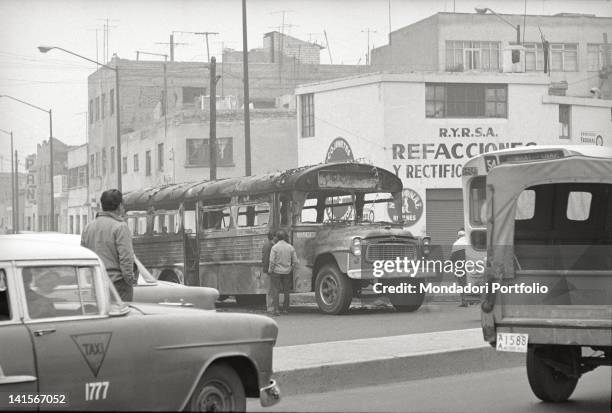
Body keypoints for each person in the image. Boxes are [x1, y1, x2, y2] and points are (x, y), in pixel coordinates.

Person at [81, 189, 136, 301]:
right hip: (118, 285)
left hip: (96, 284)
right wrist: (130, 280)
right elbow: (126, 258)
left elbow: (84, 257)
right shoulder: (120, 227)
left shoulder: (88, 227)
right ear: (120, 206)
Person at [268, 229, 298, 316]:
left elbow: (272, 261)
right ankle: (285, 309)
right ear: (284, 237)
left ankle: (276, 310)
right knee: (286, 291)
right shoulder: (290, 247)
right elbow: (295, 261)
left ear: (277, 237)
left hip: (276, 272)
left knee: (276, 290)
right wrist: (290, 268)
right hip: (287, 272)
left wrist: (270, 270)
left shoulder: (275, 248)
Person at [450, 227, 468, 307]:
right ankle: (472, 300)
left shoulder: (456, 244)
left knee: (462, 285)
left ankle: (464, 302)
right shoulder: (470, 243)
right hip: (471, 267)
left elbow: (453, 258)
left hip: (460, 268)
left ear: (458, 236)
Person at [261, 230, 277, 314]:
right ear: (273, 237)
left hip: (266, 270)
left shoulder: (266, 245)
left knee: (270, 289)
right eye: (276, 236)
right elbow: (268, 259)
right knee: (270, 290)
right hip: (269, 271)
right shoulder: (271, 246)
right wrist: (270, 270)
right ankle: (270, 308)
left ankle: (271, 307)